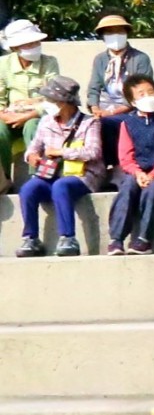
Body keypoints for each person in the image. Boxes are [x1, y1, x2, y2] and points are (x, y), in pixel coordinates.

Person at [17, 76, 105, 257]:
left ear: (65, 102)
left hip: (83, 175)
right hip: (50, 173)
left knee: (61, 186)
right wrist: (31, 156)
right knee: (28, 189)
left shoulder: (90, 123)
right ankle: (30, 238)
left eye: (52, 100)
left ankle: (68, 238)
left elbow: (93, 152)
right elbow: (34, 147)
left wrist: (61, 152)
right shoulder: (46, 122)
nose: (49, 103)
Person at [107, 75, 154, 254]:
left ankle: (144, 239)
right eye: (141, 94)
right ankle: (116, 239)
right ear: (132, 101)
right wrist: (138, 173)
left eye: (150, 92)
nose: (148, 96)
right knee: (127, 187)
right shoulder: (128, 123)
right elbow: (125, 157)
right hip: (139, 172)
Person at [86, 13, 154, 170]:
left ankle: (117, 165)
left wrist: (113, 112)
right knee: (89, 124)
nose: (115, 35)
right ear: (103, 36)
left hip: (132, 108)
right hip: (104, 107)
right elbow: (94, 87)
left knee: (109, 123)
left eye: (119, 31)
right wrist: (95, 108)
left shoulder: (140, 58)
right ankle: (98, 167)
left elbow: (142, 90)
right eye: (110, 32)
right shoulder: (100, 59)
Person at [0, 19, 60, 186]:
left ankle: (38, 177)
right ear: (15, 48)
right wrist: (7, 117)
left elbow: (54, 98)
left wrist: (29, 115)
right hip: (10, 116)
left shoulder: (49, 63)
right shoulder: (3, 65)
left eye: (36, 42)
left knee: (33, 126)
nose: (34, 46)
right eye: (28, 44)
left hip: (38, 115)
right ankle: (4, 179)